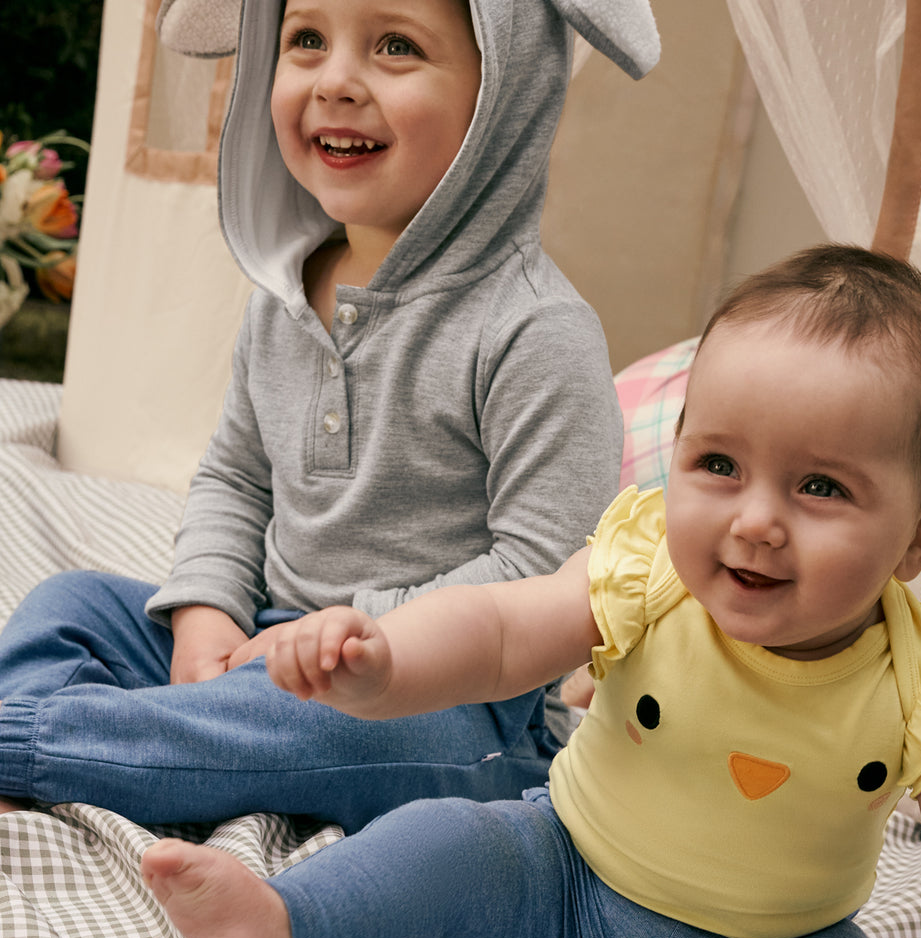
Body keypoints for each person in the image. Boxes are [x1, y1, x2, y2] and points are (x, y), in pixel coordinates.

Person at [143, 245, 921, 938]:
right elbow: (503, 629)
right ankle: (285, 931)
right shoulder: (648, 572)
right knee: (437, 844)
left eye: (820, 488)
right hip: (566, 870)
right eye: (717, 464)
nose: (756, 521)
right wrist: (384, 661)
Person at [0, 0, 660, 830]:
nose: (337, 80)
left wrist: (350, 643)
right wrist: (208, 614)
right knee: (73, 606)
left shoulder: (534, 331)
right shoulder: (284, 292)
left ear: (504, 93)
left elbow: (546, 572)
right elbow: (236, 478)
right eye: (306, 39)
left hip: (450, 703)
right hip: (269, 645)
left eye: (395, 46)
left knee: (300, 722)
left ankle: (38, 745)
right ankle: (121, 745)